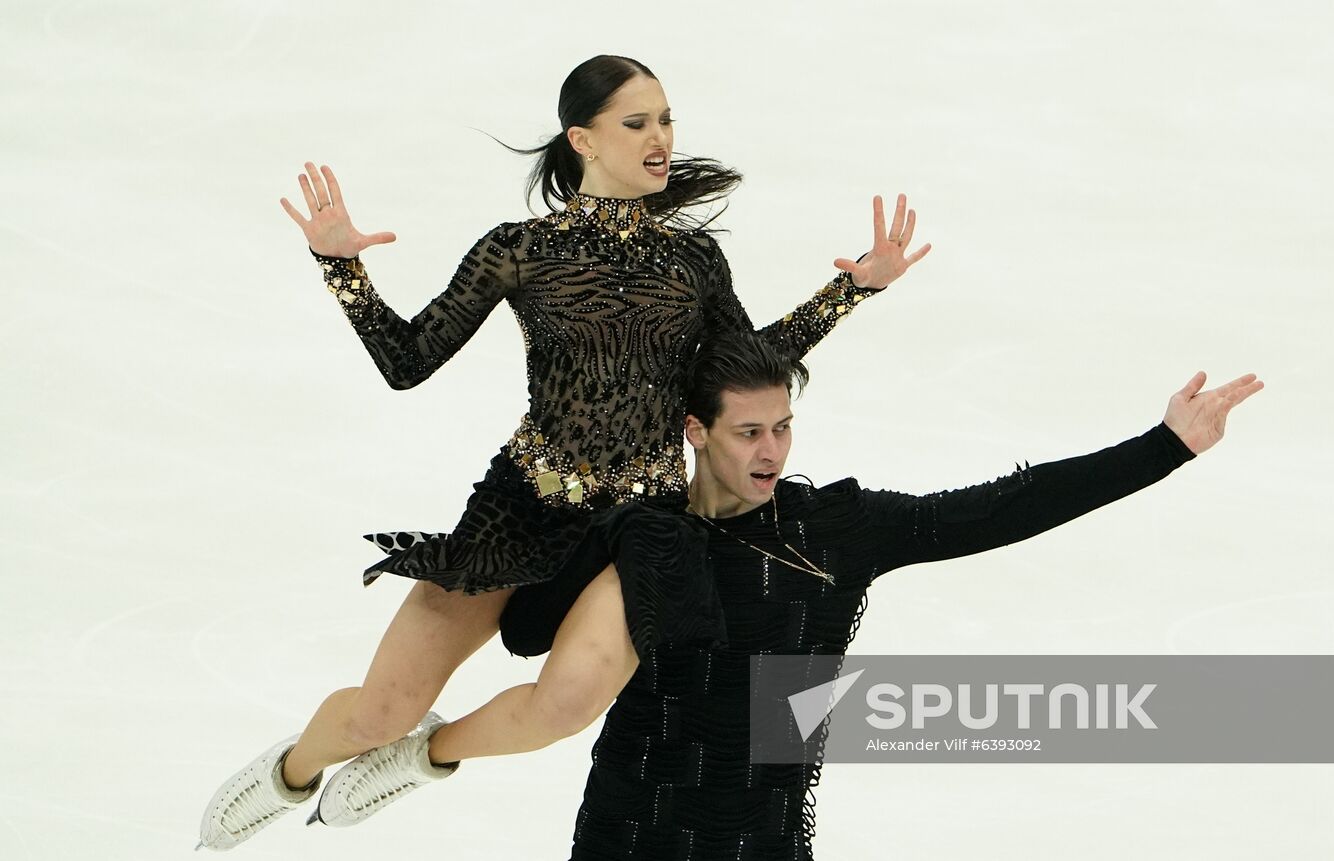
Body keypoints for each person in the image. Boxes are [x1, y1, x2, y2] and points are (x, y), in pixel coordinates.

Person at [197, 55, 930, 851]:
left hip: (643, 524)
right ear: (582, 138)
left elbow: (746, 367)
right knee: (380, 710)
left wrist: (855, 288)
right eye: (637, 122)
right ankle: (291, 773)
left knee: (568, 702)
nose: (662, 139)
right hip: (522, 508)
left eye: (666, 120)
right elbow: (407, 361)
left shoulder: (694, 262)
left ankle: (425, 757)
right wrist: (342, 266)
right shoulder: (520, 249)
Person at [483, 332, 1256, 858]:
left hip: (766, 838)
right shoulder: (641, 534)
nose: (773, 451)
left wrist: (1163, 448)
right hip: (630, 830)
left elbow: (1000, 508)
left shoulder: (834, 532)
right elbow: (524, 628)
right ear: (695, 429)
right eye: (749, 431)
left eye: (782, 427)